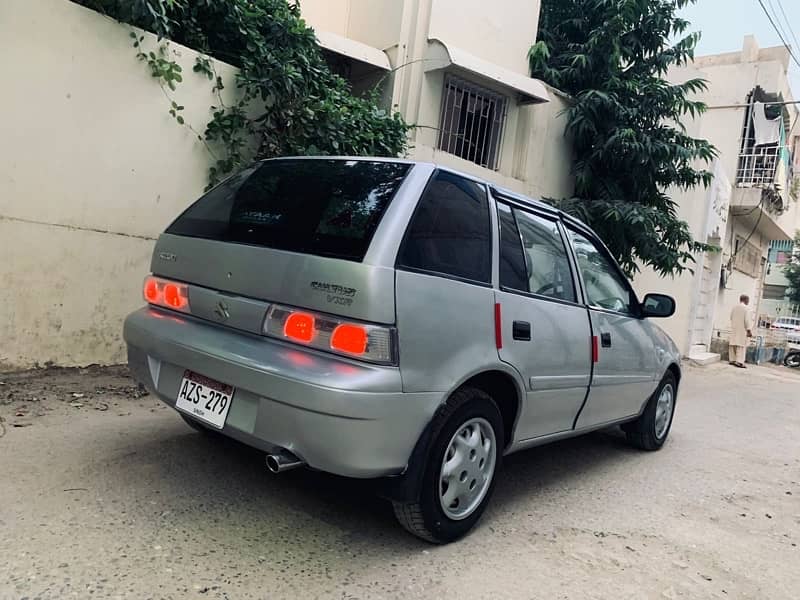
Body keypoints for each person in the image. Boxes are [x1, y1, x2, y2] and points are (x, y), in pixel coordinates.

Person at [729, 294, 753, 368]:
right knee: (741, 346)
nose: (748, 302)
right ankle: (739, 362)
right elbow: (747, 320)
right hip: (742, 329)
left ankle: (732, 360)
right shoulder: (746, 308)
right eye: (748, 300)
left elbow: (731, 317)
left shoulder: (734, 307)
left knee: (733, 344)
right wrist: (749, 330)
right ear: (745, 300)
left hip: (734, 328)